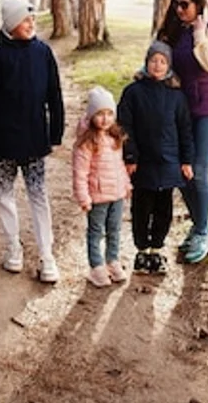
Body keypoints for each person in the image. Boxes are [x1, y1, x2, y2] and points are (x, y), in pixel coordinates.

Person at [0, 0, 65, 284]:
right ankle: (14, 248)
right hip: (3, 143)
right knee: (5, 195)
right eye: (25, 20)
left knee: (38, 196)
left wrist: (56, 133)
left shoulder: (43, 53)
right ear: (10, 24)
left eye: (32, 20)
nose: (31, 25)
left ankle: (46, 255)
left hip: (35, 140)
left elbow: (54, 95)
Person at [156, 0, 208, 264]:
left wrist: (199, 35)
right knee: (181, 171)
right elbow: (162, 57)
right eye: (176, 4)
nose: (179, 9)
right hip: (182, 110)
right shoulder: (175, 27)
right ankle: (200, 226)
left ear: (199, 4)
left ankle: (202, 229)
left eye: (185, 4)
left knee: (197, 170)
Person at [118, 41, 194, 274]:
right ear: (146, 62)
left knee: (164, 209)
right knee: (141, 208)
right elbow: (125, 126)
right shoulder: (133, 92)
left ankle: (157, 251)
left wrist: (186, 160)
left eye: (162, 61)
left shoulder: (176, 96)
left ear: (169, 65)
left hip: (169, 163)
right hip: (143, 163)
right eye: (153, 61)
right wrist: (130, 157)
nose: (157, 65)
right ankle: (141, 251)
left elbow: (185, 129)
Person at [71, 86, 132, 288]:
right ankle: (96, 266)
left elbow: (119, 166)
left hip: (116, 194)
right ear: (91, 116)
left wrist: (126, 185)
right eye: (100, 114)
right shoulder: (86, 143)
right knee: (96, 231)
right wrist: (83, 197)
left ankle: (112, 261)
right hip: (97, 196)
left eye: (109, 114)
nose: (105, 119)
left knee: (114, 229)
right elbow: (80, 173)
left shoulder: (115, 138)